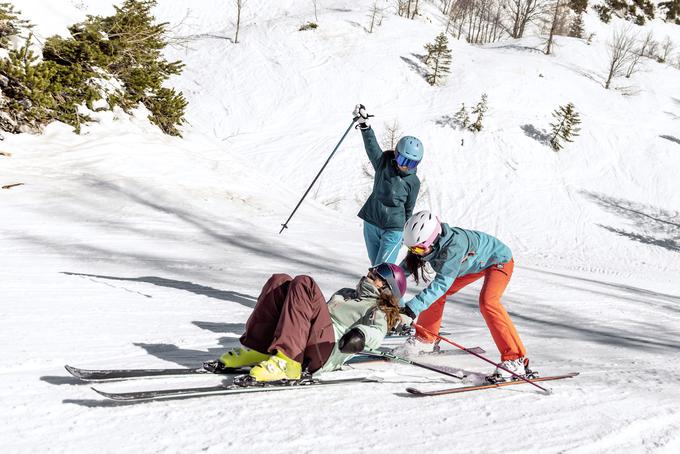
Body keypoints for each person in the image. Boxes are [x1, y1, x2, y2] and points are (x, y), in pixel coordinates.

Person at [206, 263, 407, 382]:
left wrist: (360, 334)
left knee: (305, 283)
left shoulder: (378, 308)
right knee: (280, 281)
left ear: (387, 289)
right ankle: (259, 348)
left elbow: (377, 333)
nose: (370, 273)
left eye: (378, 275)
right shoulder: (348, 293)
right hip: (311, 339)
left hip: (326, 350)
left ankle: (288, 362)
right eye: (372, 270)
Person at [398, 210, 529, 380]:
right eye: (411, 248)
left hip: (498, 260)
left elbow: (441, 284)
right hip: (472, 265)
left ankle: (515, 359)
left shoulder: (454, 247)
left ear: (433, 238)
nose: (415, 252)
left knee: (488, 302)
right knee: (436, 296)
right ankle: (426, 340)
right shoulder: (424, 246)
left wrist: (410, 309)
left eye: (418, 248)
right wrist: (382, 280)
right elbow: (402, 271)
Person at [353, 104, 422, 266]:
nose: (405, 166)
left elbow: (408, 209)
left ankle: (382, 291)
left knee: (381, 270)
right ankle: (377, 291)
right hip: (371, 221)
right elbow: (372, 148)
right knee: (374, 266)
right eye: (403, 160)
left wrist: (406, 235)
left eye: (411, 163)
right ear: (396, 154)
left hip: (393, 229)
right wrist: (365, 126)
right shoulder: (383, 162)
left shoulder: (413, 182)